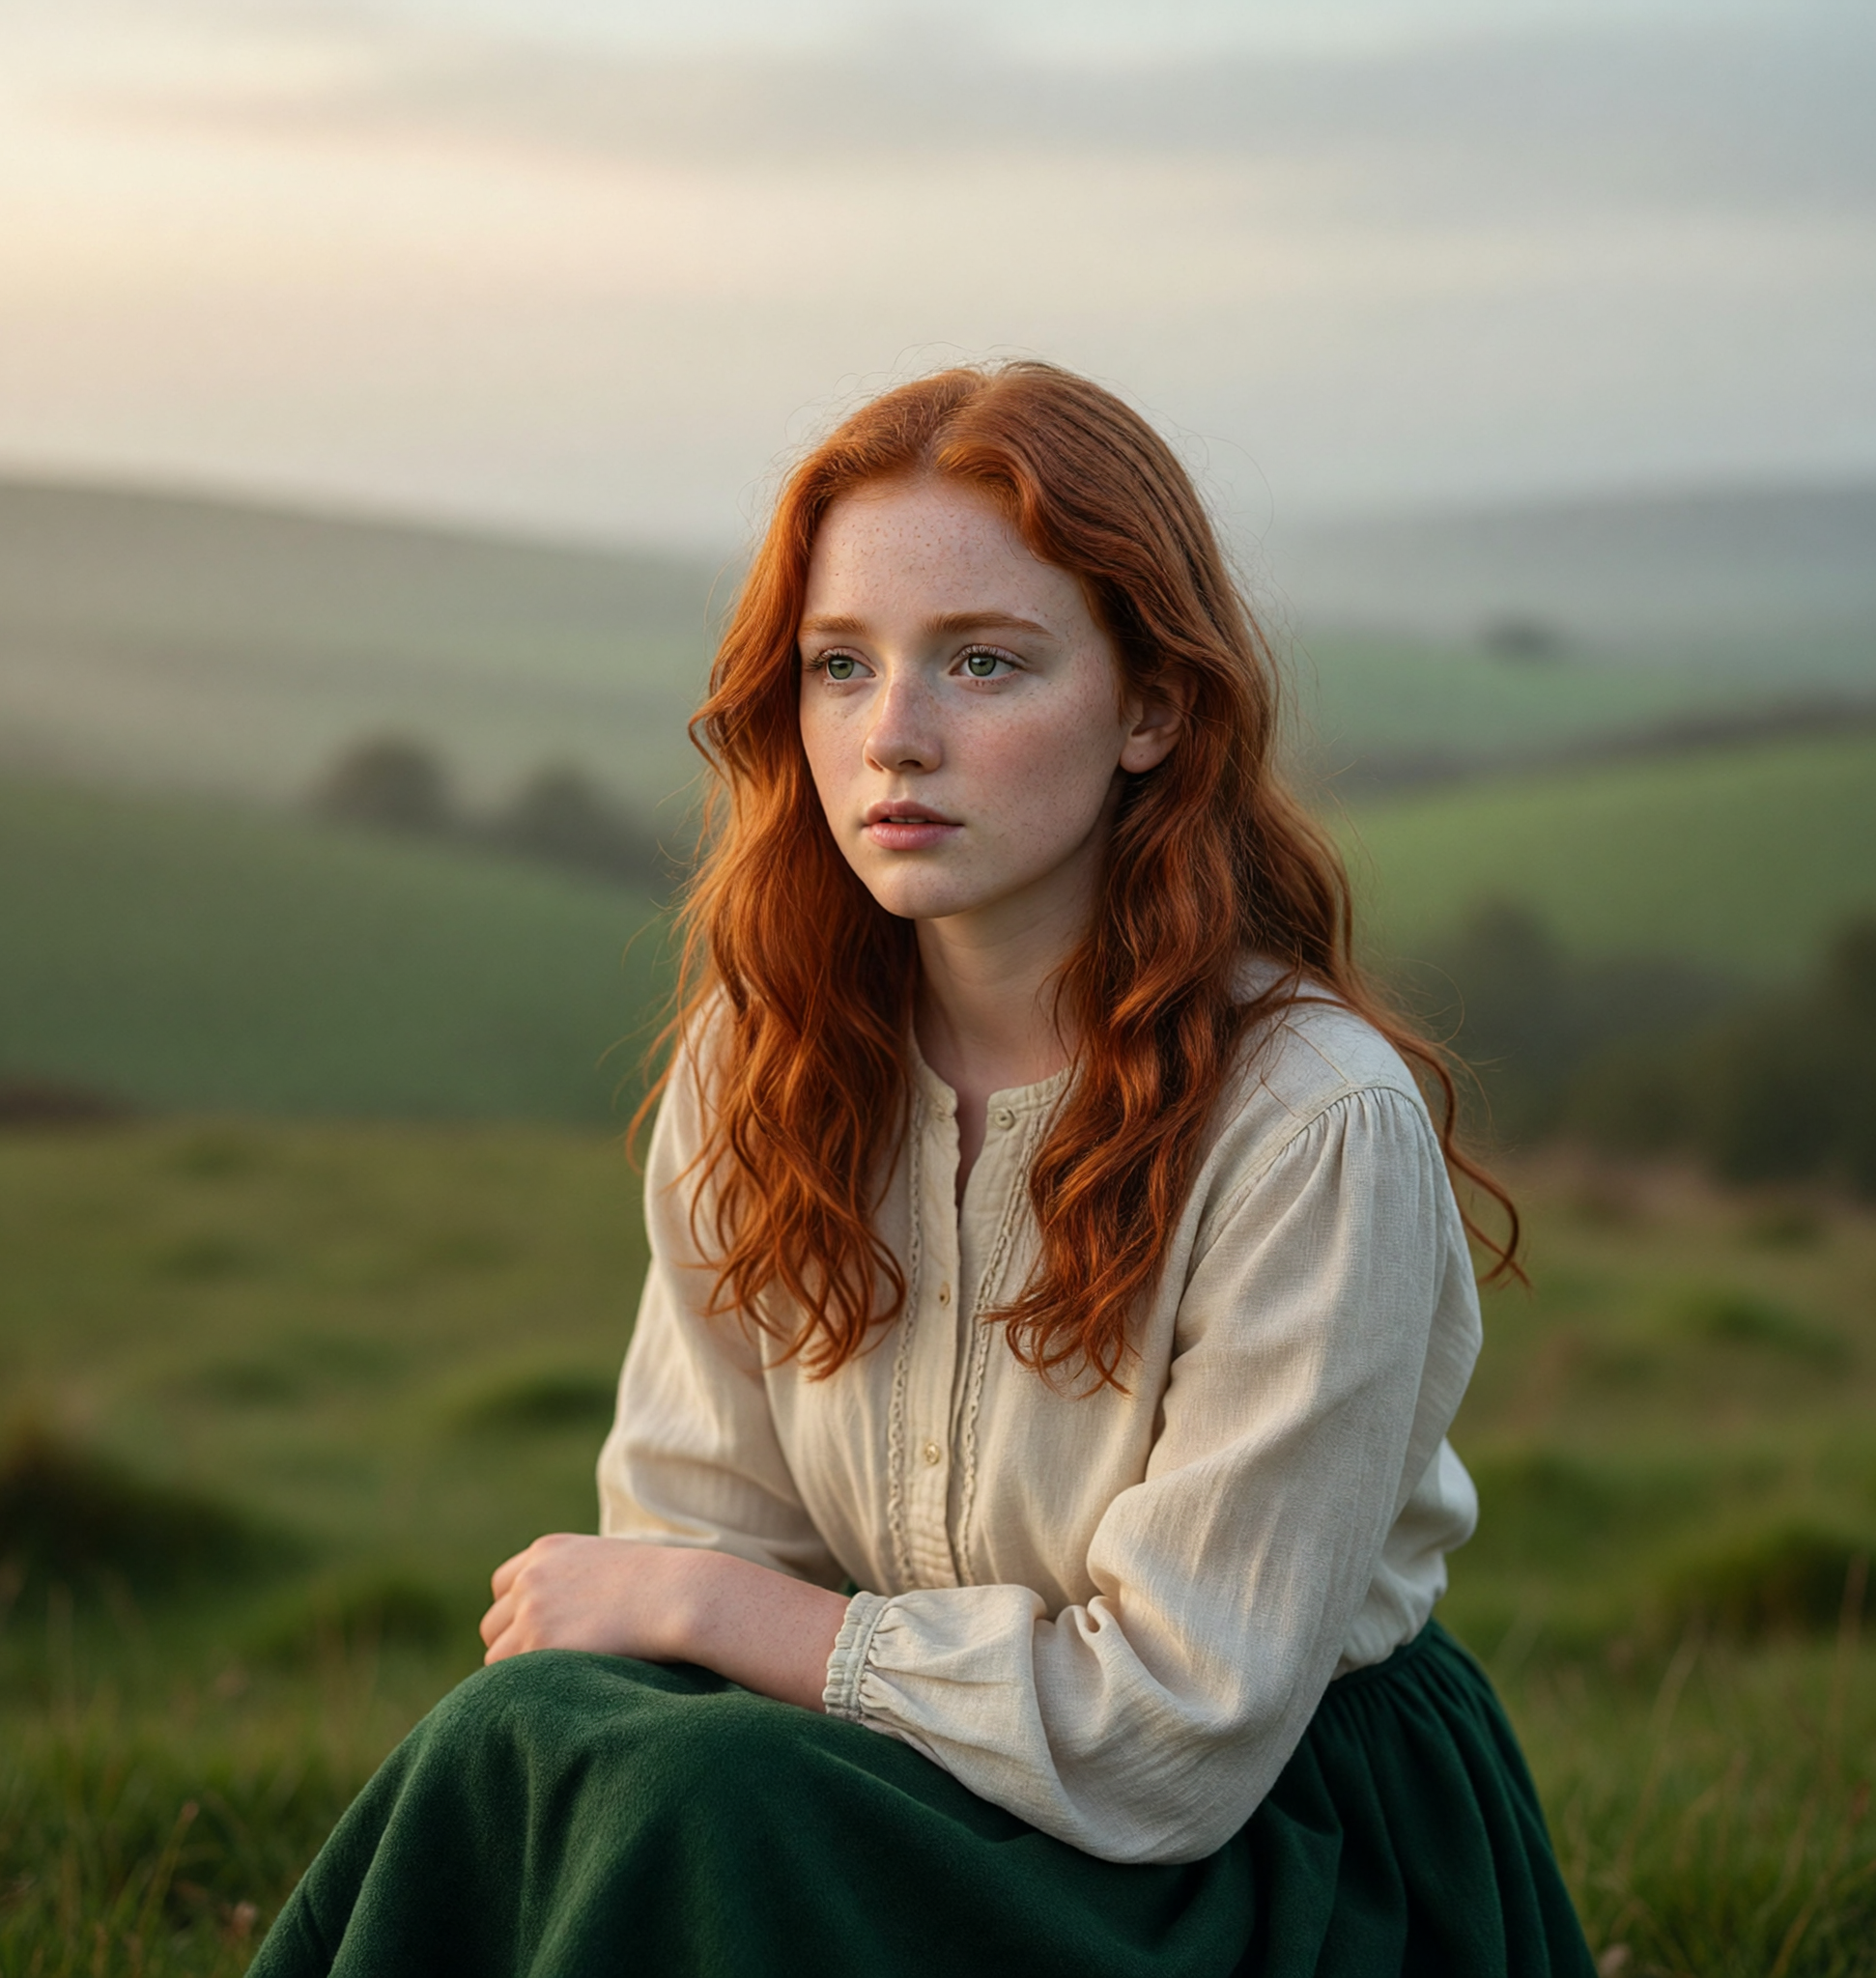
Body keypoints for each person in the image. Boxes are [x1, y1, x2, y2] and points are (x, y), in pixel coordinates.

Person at [249, 362, 1596, 1977]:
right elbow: (692, 1541)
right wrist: (708, 1618)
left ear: (1154, 708)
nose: (894, 735)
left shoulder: (1311, 1124)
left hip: (1266, 1855)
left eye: (983, 662)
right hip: (908, 1781)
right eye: (839, 666)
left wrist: (728, 1620)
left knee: (701, 1811)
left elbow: (1172, 1731)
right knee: (527, 1734)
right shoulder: (767, 1065)